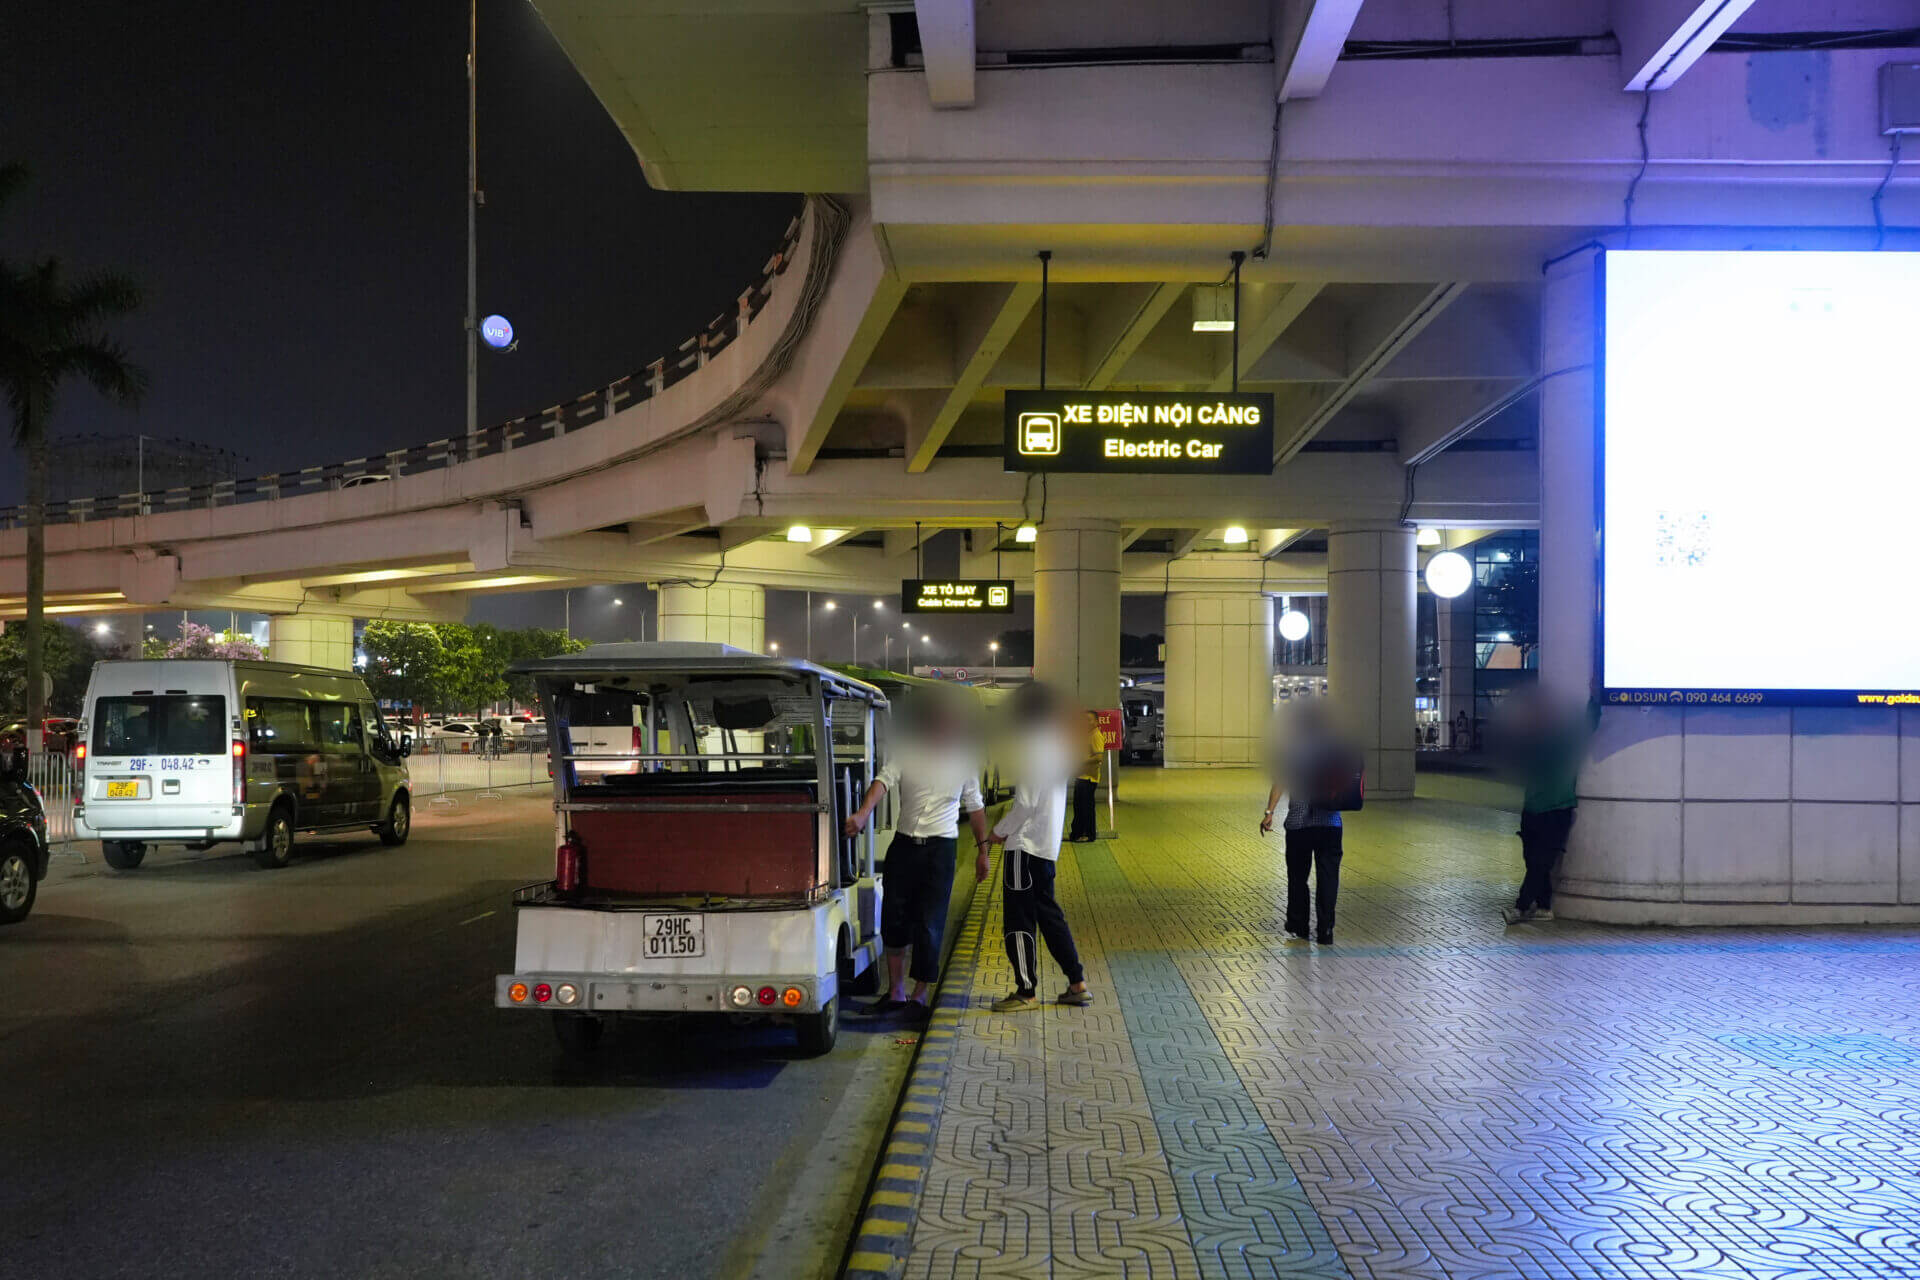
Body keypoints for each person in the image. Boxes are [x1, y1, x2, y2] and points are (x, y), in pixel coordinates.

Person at [843, 691, 991, 1020]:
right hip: (905, 845)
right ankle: (895, 992)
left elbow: (975, 806)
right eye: (940, 722)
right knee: (894, 920)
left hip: (941, 851)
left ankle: (920, 996)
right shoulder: (908, 750)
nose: (946, 729)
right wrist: (863, 813)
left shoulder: (965, 759)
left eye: (951, 723)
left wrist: (983, 852)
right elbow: (884, 780)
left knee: (929, 924)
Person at [983, 682, 1090, 1011]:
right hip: (1046, 846)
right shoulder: (1058, 745)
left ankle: (1025, 990)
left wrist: (998, 832)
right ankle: (1077, 982)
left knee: (1018, 920)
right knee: (1049, 914)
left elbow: (1026, 803)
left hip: (1024, 847)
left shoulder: (1031, 745)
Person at [1502, 693, 1600, 925]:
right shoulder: (1529, 742)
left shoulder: (1565, 739)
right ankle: (1544, 906)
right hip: (1532, 809)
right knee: (1532, 860)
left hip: (1556, 809)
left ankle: (1521, 907)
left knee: (1540, 862)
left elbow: (1588, 723)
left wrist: (1595, 695)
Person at [1260, 702, 1349, 946]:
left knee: (1298, 877)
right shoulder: (1335, 748)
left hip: (1299, 824)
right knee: (1328, 878)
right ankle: (1326, 929)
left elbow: (1280, 782)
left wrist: (1269, 813)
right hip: (1331, 822)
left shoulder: (1293, 749)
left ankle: (1299, 925)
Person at [1069, 712, 1103, 843]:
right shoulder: (1087, 735)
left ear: (1096, 722)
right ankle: (1077, 833)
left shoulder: (1096, 735)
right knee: (1079, 807)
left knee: (1086, 808)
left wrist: (1081, 762)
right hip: (1081, 776)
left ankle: (1088, 834)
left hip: (1089, 778)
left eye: (1089, 720)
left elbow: (1099, 757)